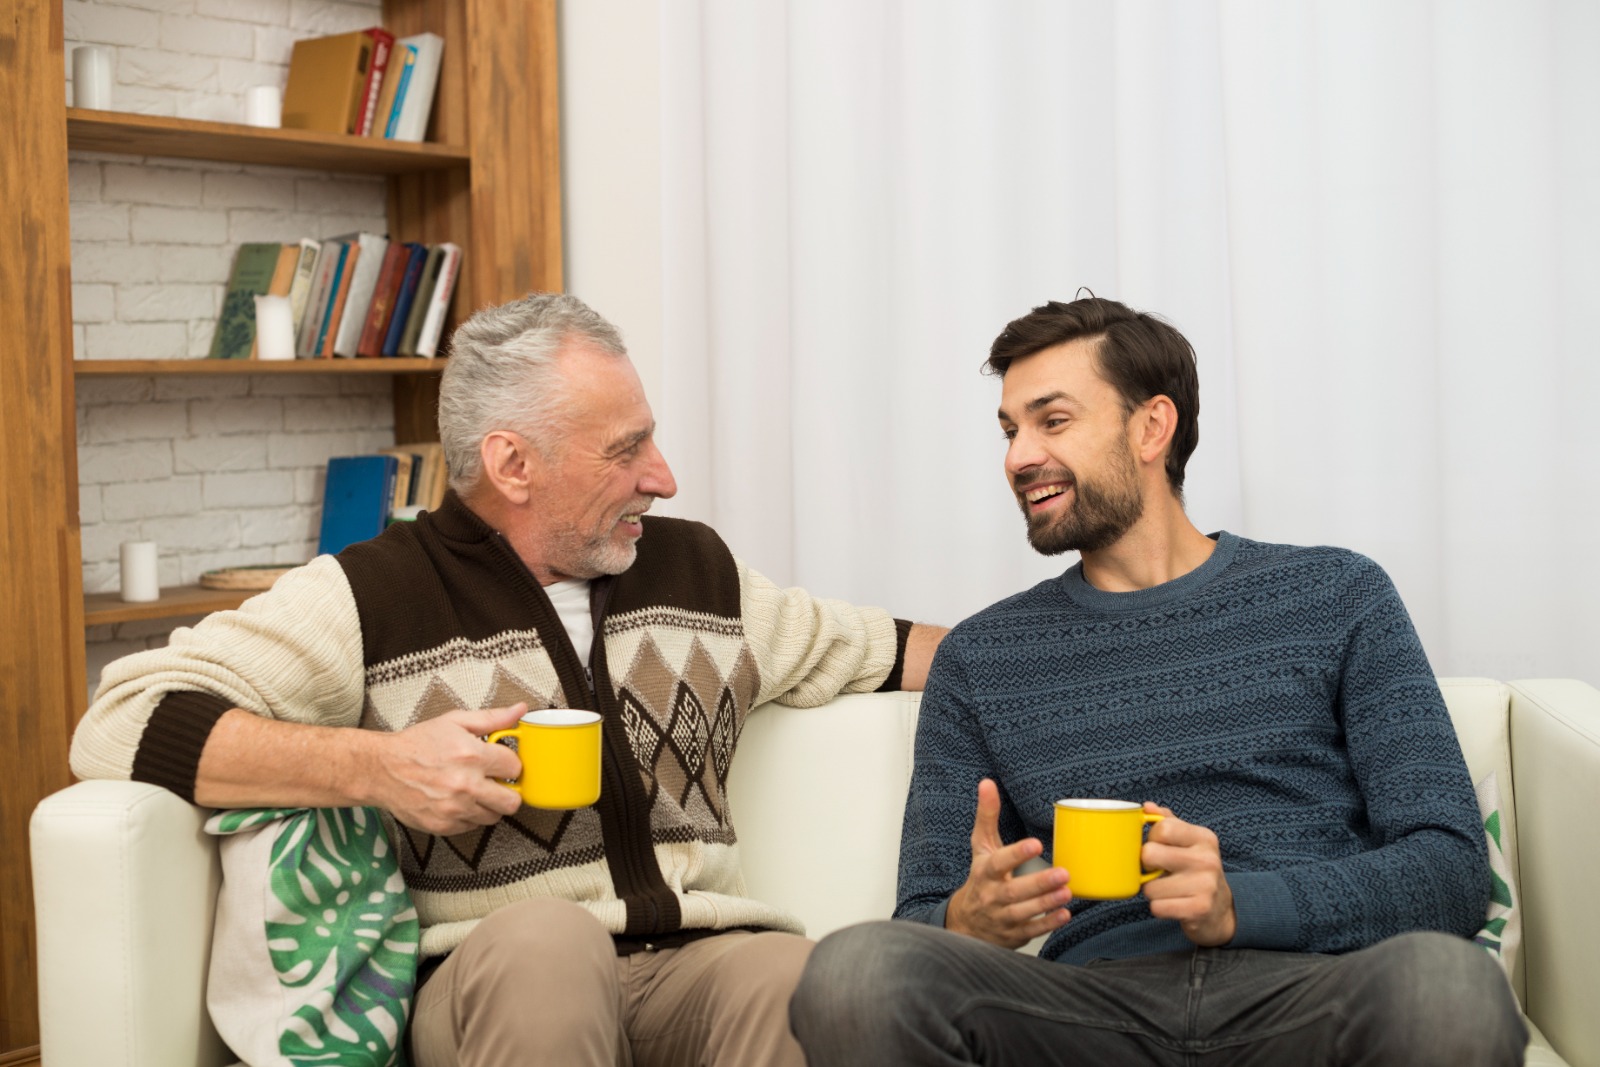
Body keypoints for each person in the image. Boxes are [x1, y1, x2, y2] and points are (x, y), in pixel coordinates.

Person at [70, 292, 947, 1067]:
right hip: (489, 972)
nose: (663, 476)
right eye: (626, 448)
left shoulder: (698, 573)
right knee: (547, 946)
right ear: (512, 464)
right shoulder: (374, 593)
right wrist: (380, 768)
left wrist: (1040, 637)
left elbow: (894, 648)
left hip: (695, 959)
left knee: (791, 973)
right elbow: (120, 720)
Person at [790, 296, 1526, 1065]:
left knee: (1450, 988)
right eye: (1010, 431)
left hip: (1304, 993)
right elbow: (919, 918)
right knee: (857, 973)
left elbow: (1449, 868)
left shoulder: (1336, 594)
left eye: (1053, 420)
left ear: (1151, 427)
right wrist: (969, 918)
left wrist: (1243, 904)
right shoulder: (981, 658)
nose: (1018, 457)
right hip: (1085, 1012)